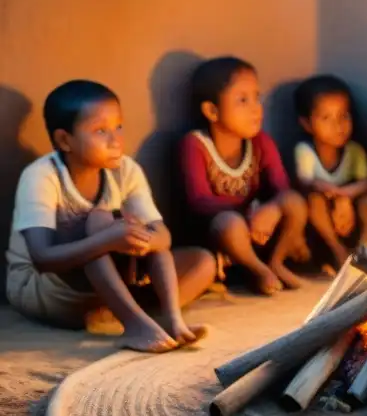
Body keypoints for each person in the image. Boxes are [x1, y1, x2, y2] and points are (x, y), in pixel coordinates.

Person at [6, 80, 215, 352]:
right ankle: (133, 324)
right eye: (100, 131)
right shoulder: (42, 176)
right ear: (64, 140)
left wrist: (142, 239)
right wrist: (109, 238)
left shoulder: (126, 169)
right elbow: (43, 259)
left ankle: (170, 319)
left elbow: (162, 235)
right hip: (46, 290)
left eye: (118, 127)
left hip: (103, 284)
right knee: (99, 221)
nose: (116, 140)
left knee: (202, 262)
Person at [180, 57, 308, 295]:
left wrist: (272, 208)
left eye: (256, 97)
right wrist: (249, 210)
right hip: (222, 240)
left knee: (294, 201)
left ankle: (276, 263)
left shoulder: (261, 143)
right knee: (229, 223)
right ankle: (259, 271)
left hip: (259, 232)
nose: (255, 108)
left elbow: (282, 189)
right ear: (212, 110)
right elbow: (198, 200)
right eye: (242, 100)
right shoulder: (195, 145)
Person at [293, 75, 367, 270]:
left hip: (349, 207)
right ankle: (339, 253)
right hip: (320, 214)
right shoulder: (305, 151)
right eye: (326, 118)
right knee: (315, 201)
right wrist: (335, 196)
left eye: (343, 116)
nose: (338, 125)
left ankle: (366, 252)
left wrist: (344, 197)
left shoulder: (354, 150)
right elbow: (306, 182)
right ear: (307, 124)